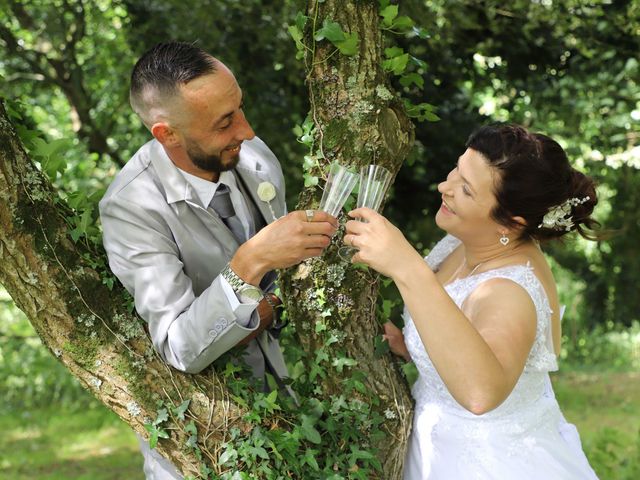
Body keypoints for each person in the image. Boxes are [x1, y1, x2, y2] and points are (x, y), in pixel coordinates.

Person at [99, 41, 337, 479]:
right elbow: (179, 346)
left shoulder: (254, 156)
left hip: (298, 411)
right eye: (226, 121)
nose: (246, 132)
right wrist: (252, 261)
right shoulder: (131, 208)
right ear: (166, 134)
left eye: (240, 109)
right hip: (210, 446)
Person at [344, 124, 600, 479]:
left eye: (465, 189)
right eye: (457, 170)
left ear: (510, 223)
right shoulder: (461, 243)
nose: (444, 187)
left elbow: (480, 393)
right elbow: (465, 335)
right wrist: (415, 348)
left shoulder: (510, 291)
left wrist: (407, 267)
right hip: (433, 447)